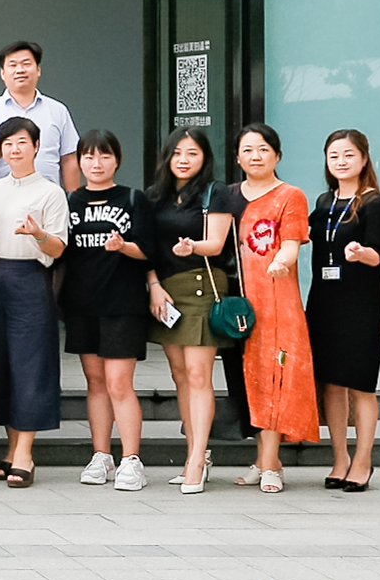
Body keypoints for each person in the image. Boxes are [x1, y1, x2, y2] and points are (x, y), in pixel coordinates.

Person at [224, 124, 319, 494]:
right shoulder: (228, 196)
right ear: (237, 157)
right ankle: (264, 460)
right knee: (247, 380)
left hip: (276, 303)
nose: (256, 156)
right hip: (235, 305)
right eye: (248, 150)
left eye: (263, 149)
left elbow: (292, 243)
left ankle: (270, 464)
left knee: (275, 379)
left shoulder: (290, 195)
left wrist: (281, 260)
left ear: (277, 155)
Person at [144, 126, 238, 495]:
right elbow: (147, 249)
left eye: (192, 153)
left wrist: (192, 247)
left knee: (199, 375)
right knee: (180, 375)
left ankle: (198, 459)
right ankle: (193, 452)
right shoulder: (155, 196)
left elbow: (216, 243)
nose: (183, 160)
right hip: (166, 291)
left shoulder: (215, 192)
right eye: (177, 153)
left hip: (201, 285)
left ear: (205, 158)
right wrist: (153, 285)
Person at [0, 118, 70, 489]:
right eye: (8, 143)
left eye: (21, 142)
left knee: (30, 365)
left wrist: (38, 233)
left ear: (36, 146)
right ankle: (12, 447)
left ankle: (26, 454)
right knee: (1, 364)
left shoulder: (51, 192)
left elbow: (58, 249)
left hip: (29, 278)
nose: (14, 149)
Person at [63, 130, 156, 492]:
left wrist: (123, 246)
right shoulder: (71, 201)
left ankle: (131, 459)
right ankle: (101, 455)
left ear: (117, 160)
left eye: (104, 156)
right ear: (79, 161)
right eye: (88, 156)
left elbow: (149, 250)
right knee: (95, 382)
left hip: (123, 303)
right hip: (82, 303)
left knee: (119, 382)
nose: (96, 163)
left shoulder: (133, 198)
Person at [308, 129, 380, 493]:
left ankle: (363, 460)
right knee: (332, 384)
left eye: (348, 155)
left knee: (361, 385)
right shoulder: (324, 201)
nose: (341, 162)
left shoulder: (375, 203)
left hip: (360, 304)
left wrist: (361, 253)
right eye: (334, 156)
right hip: (323, 302)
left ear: (363, 158)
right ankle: (340, 458)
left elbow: (378, 254)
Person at [0, 41, 82, 189]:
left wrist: (72, 198)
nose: (20, 70)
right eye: (13, 65)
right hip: (2, 197)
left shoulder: (58, 110)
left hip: (47, 196)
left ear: (38, 70)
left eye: (26, 64)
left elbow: (69, 158)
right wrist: (10, 141)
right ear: (2, 73)